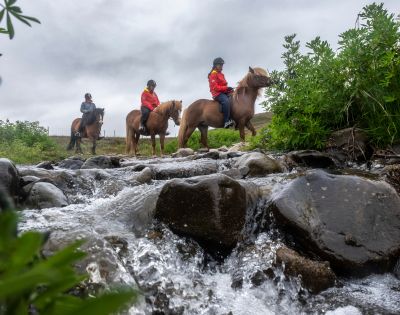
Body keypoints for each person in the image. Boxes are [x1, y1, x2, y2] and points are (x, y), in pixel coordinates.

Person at [208, 57, 234, 128]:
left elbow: (223, 85)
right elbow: (215, 87)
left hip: (223, 92)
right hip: (217, 93)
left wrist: (229, 89)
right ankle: (226, 121)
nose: (221, 67)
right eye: (220, 65)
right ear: (215, 65)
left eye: (222, 65)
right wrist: (226, 88)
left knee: (234, 97)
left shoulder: (221, 74)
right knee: (226, 101)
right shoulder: (213, 74)